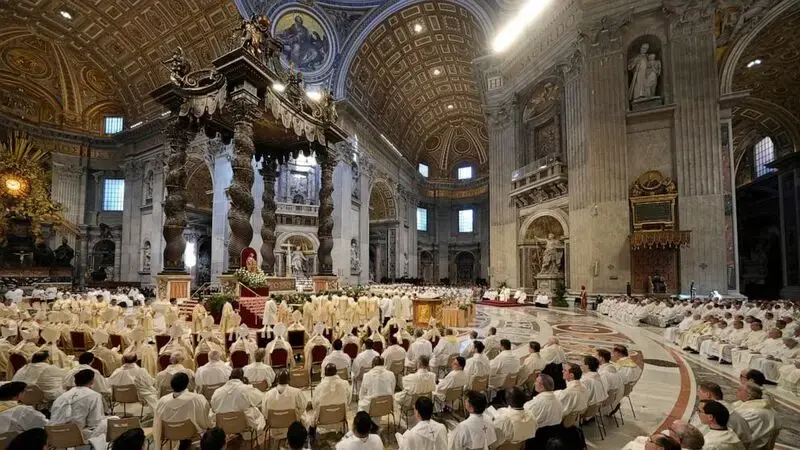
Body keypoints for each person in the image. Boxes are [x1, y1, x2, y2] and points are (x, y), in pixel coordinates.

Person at [51, 369, 112, 448]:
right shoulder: (94, 395)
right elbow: (94, 422)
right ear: (92, 381)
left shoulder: (62, 396)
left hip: (54, 434)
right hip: (75, 434)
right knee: (112, 421)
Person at [153, 373, 213, 450]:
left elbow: (157, 422)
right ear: (187, 384)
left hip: (170, 434)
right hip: (191, 434)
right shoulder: (196, 399)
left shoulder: (162, 401)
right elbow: (206, 416)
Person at [691, 382, 752, 446]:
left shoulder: (707, 412)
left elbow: (694, 436)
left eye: (699, 391)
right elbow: (747, 440)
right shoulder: (734, 411)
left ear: (708, 394)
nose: (697, 394)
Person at [209, 368, 265, 434]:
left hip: (223, 425)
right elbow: (261, 398)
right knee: (255, 409)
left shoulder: (217, 391)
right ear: (242, 378)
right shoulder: (246, 389)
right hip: (243, 424)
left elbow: (213, 406)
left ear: (229, 378)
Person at [304, 364, 351, 429]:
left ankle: (312, 435)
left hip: (323, 419)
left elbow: (314, 405)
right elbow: (348, 400)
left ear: (324, 373)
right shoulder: (345, 384)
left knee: (310, 417)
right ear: (336, 372)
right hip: (340, 417)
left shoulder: (319, 387)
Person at [733, 382, 779, 449]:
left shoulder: (753, 413)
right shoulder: (748, 405)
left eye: (739, 390)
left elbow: (741, 433)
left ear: (748, 396)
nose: (736, 391)